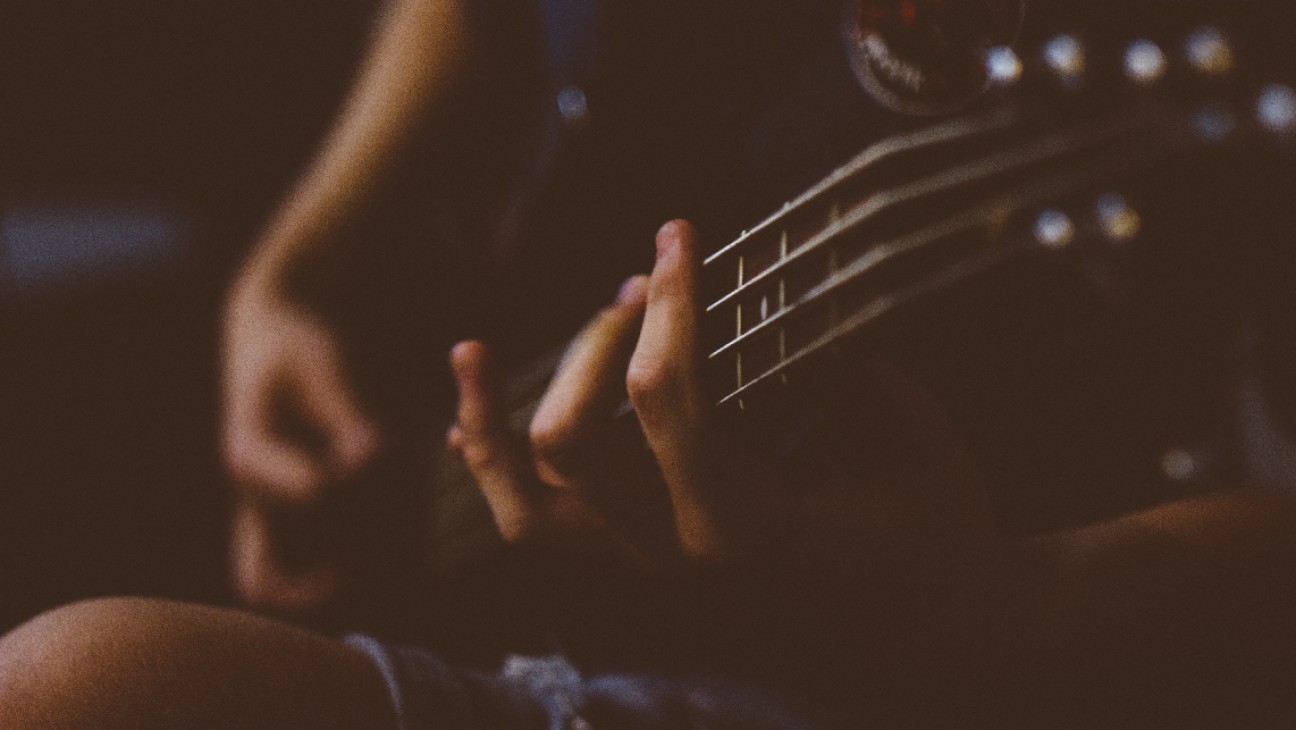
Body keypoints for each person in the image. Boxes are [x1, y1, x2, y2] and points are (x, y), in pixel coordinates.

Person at [4, 0, 1296, 726]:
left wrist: (998, 615)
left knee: (80, 694)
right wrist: (305, 259)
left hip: (1011, 638)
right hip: (462, 396)